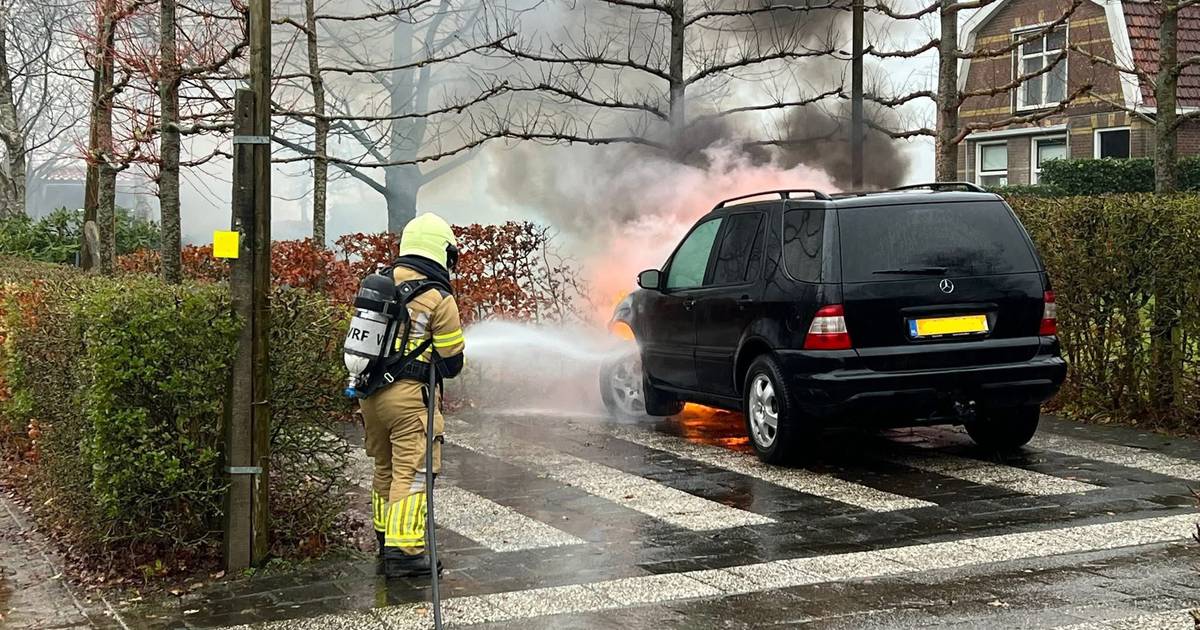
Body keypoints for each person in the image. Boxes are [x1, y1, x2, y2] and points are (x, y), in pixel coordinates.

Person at [360, 213, 465, 578]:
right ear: (442, 251)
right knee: (414, 471)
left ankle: (385, 537)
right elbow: (451, 362)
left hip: (370, 395)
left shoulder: (381, 282)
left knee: (385, 467)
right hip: (408, 400)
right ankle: (405, 552)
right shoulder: (438, 297)